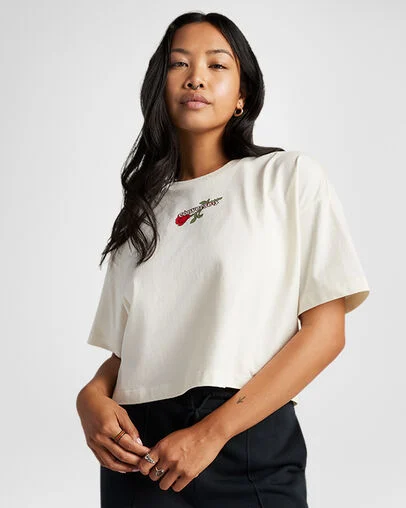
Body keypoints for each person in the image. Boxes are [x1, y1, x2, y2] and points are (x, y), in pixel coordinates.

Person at [76, 11, 370, 508]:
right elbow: (129, 354)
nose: (196, 78)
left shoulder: (286, 177)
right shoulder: (140, 212)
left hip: (244, 436)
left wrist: (212, 433)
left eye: (217, 65)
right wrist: (89, 398)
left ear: (242, 96)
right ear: (159, 87)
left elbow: (326, 332)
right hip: (138, 452)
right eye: (179, 64)